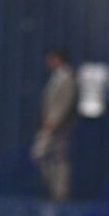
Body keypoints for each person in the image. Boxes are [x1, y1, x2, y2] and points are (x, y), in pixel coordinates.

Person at [33, 48, 79, 203]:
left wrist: (53, 121)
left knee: (48, 154)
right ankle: (55, 190)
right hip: (51, 124)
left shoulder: (67, 78)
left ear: (58, 59)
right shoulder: (57, 77)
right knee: (50, 156)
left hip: (58, 126)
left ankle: (60, 192)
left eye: (50, 59)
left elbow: (64, 103)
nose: (48, 63)